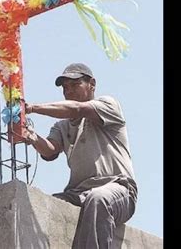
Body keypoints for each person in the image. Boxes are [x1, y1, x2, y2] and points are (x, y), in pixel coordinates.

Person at [23, 63, 137, 249]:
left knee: (99, 199)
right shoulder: (62, 126)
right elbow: (50, 150)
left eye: (75, 85)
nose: (69, 91)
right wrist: (31, 136)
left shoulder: (108, 105)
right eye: (65, 88)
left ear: (92, 84)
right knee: (44, 205)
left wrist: (32, 108)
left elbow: (77, 108)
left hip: (118, 189)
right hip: (77, 194)